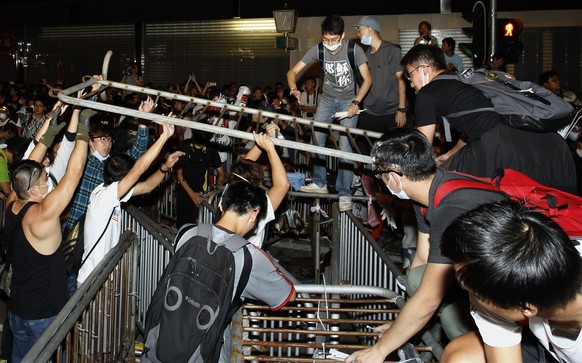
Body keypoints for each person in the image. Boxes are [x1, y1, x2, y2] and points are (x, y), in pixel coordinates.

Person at [345, 128, 508, 363]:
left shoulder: (449, 209)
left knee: (454, 323)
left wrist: (379, 351)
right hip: (483, 272)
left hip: (514, 284)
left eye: (380, 175)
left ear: (394, 177)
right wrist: (401, 326)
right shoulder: (428, 193)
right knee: (415, 278)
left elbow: (430, 297)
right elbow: (422, 260)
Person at [401, 44, 576, 194]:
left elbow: (421, 147)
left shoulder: (427, 93)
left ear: (424, 68)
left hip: (503, 149)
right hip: (546, 145)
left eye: (410, 76)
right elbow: (476, 125)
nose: (410, 83)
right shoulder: (467, 80)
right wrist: (448, 154)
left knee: (436, 188)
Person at [440, 200, 582, 363]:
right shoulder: (507, 277)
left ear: (526, 308)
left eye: (473, 291)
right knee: (461, 357)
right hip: (546, 348)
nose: (470, 295)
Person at [3, 121, 89, 362]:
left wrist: (48, 134)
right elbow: (74, 175)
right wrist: (83, 128)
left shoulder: (11, 203)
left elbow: (26, 166)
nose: (47, 183)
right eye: (43, 180)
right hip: (44, 316)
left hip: (17, 311)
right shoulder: (41, 214)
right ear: (33, 190)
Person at [77, 122, 184, 285]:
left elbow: (147, 185)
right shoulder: (104, 198)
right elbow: (139, 169)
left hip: (102, 276)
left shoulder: (109, 191)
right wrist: (163, 138)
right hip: (92, 280)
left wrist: (165, 167)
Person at [287, 14, 372, 212]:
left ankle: (344, 193)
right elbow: (292, 72)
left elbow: (367, 79)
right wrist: (293, 88)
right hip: (326, 99)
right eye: (326, 39)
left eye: (333, 40)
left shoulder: (354, 50)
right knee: (316, 139)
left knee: (345, 146)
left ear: (342, 36)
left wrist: (355, 103)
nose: (329, 44)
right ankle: (320, 182)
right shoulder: (318, 49)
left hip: (349, 100)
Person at [226, 125, 290, 248]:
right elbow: (282, 185)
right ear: (260, 183)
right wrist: (270, 148)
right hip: (246, 261)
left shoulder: (230, 191)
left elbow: (243, 166)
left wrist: (262, 142)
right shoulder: (259, 205)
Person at [175, 129, 225, 228]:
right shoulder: (184, 146)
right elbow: (179, 173)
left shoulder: (211, 149)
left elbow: (222, 173)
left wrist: (213, 191)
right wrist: (192, 194)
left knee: (201, 223)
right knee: (183, 223)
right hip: (184, 189)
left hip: (202, 191)